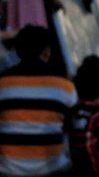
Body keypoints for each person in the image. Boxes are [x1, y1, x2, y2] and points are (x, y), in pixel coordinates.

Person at [0, 26, 75, 176]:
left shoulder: (2, 83)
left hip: (7, 170)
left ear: (18, 51)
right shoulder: (65, 87)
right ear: (47, 52)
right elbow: (69, 127)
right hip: (52, 170)